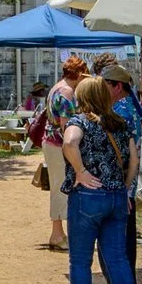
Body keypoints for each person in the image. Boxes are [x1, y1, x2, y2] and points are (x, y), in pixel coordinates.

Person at [54, 76, 141, 284]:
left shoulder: (79, 122)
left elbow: (69, 143)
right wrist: (125, 188)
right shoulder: (121, 124)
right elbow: (134, 161)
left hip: (87, 197)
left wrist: (80, 171)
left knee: (80, 260)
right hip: (117, 197)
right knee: (118, 258)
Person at [89, 63, 142, 284]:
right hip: (123, 189)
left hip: (117, 189)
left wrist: (123, 190)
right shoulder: (128, 107)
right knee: (123, 246)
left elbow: (121, 157)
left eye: (104, 85)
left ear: (117, 87)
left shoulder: (118, 111)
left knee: (113, 247)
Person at [37, 55, 86, 251]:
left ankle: (59, 233)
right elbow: (67, 125)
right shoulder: (66, 92)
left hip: (52, 143)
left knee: (59, 186)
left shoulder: (56, 87)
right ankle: (57, 234)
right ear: (79, 74)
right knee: (60, 187)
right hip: (59, 145)